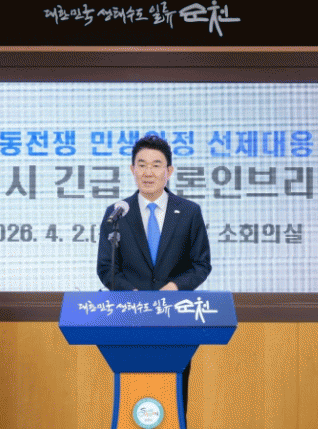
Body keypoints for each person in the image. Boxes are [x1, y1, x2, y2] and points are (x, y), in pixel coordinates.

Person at [96, 134, 212, 417]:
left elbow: (201, 264)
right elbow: (106, 267)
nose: (148, 172)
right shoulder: (117, 213)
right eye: (142, 164)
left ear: (169, 171)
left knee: (174, 398)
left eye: (156, 165)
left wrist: (175, 286)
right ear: (132, 169)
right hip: (130, 317)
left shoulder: (189, 212)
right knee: (132, 397)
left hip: (175, 317)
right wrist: (131, 293)